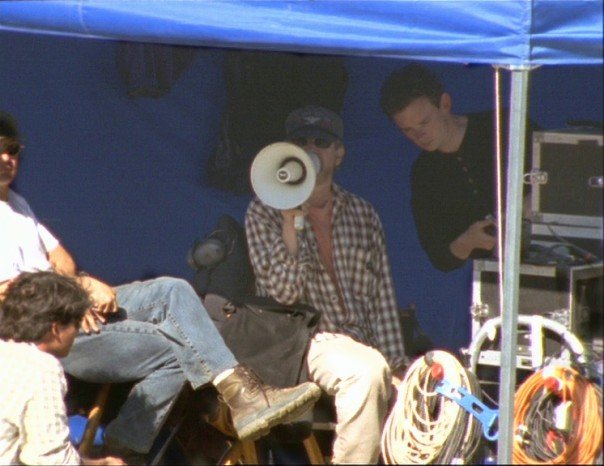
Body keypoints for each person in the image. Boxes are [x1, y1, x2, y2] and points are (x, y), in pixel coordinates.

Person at [0, 111, 321, 463]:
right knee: (177, 346)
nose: (7, 159)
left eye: (13, 150)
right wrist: (68, 300)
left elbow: (61, 259)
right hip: (37, 332)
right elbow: (10, 296)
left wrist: (76, 288)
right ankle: (126, 447)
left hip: (66, 307)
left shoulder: (17, 204)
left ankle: (240, 394)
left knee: (172, 289)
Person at [245, 105, 407, 464]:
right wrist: (292, 223)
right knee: (365, 373)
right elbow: (283, 297)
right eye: (300, 141)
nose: (311, 148)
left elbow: (382, 298)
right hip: (303, 340)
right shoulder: (262, 211)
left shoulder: (364, 213)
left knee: (426, 387)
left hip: (360, 341)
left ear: (339, 153)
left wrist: (398, 366)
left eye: (322, 141)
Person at [380, 63, 538, 272]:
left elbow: (563, 172)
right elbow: (440, 258)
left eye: (425, 122)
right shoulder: (424, 173)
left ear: (445, 103)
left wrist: (532, 201)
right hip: (498, 275)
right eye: (408, 130)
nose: (419, 136)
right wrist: (468, 241)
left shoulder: (503, 125)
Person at [0, 271, 125, 466]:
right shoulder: (41, 369)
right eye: (75, 324)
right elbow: (50, 458)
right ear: (56, 328)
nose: (76, 332)